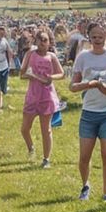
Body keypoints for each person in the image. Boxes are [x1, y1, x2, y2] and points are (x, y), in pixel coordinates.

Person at [71, 22, 106, 204]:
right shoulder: (83, 57)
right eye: (94, 37)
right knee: (84, 156)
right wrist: (87, 84)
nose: (97, 41)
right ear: (89, 37)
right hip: (88, 113)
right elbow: (72, 85)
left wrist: (104, 86)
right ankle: (85, 185)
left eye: (100, 37)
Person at [19, 28, 63, 166]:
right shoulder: (30, 54)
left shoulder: (52, 57)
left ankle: (46, 159)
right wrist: (32, 76)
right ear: (36, 41)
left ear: (49, 42)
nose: (43, 42)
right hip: (33, 95)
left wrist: (51, 77)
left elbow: (61, 73)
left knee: (46, 129)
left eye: (45, 40)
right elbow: (22, 74)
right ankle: (31, 147)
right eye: (40, 39)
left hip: (47, 96)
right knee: (25, 128)